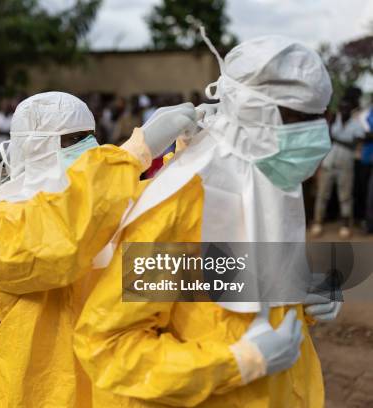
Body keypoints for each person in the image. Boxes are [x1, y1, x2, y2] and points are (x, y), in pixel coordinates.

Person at [73, 33, 340, 407]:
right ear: (253, 112)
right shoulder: (184, 202)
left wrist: (296, 296)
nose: (315, 135)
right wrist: (238, 362)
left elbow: (221, 289)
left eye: (318, 119)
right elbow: (112, 348)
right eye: (297, 120)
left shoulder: (268, 180)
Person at [0, 91, 198, 407]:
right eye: (74, 139)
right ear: (34, 146)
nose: (89, 149)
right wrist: (134, 152)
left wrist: (189, 159)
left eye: (90, 136)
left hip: (113, 383)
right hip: (39, 391)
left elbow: (165, 228)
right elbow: (63, 241)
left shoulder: (112, 196)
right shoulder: (6, 217)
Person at [311, 87, 366, 238]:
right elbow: (326, 138)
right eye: (342, 107)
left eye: (346, 107)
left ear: (351, 108)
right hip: (329, 162)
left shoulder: (356, 124)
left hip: (346, 164)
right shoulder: (333, 119)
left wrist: (337, 140)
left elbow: (356, 143)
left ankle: (345, 225)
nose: (344, 110)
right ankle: (318, 222)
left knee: (345, 196)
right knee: (322, 195)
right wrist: (338, 138)